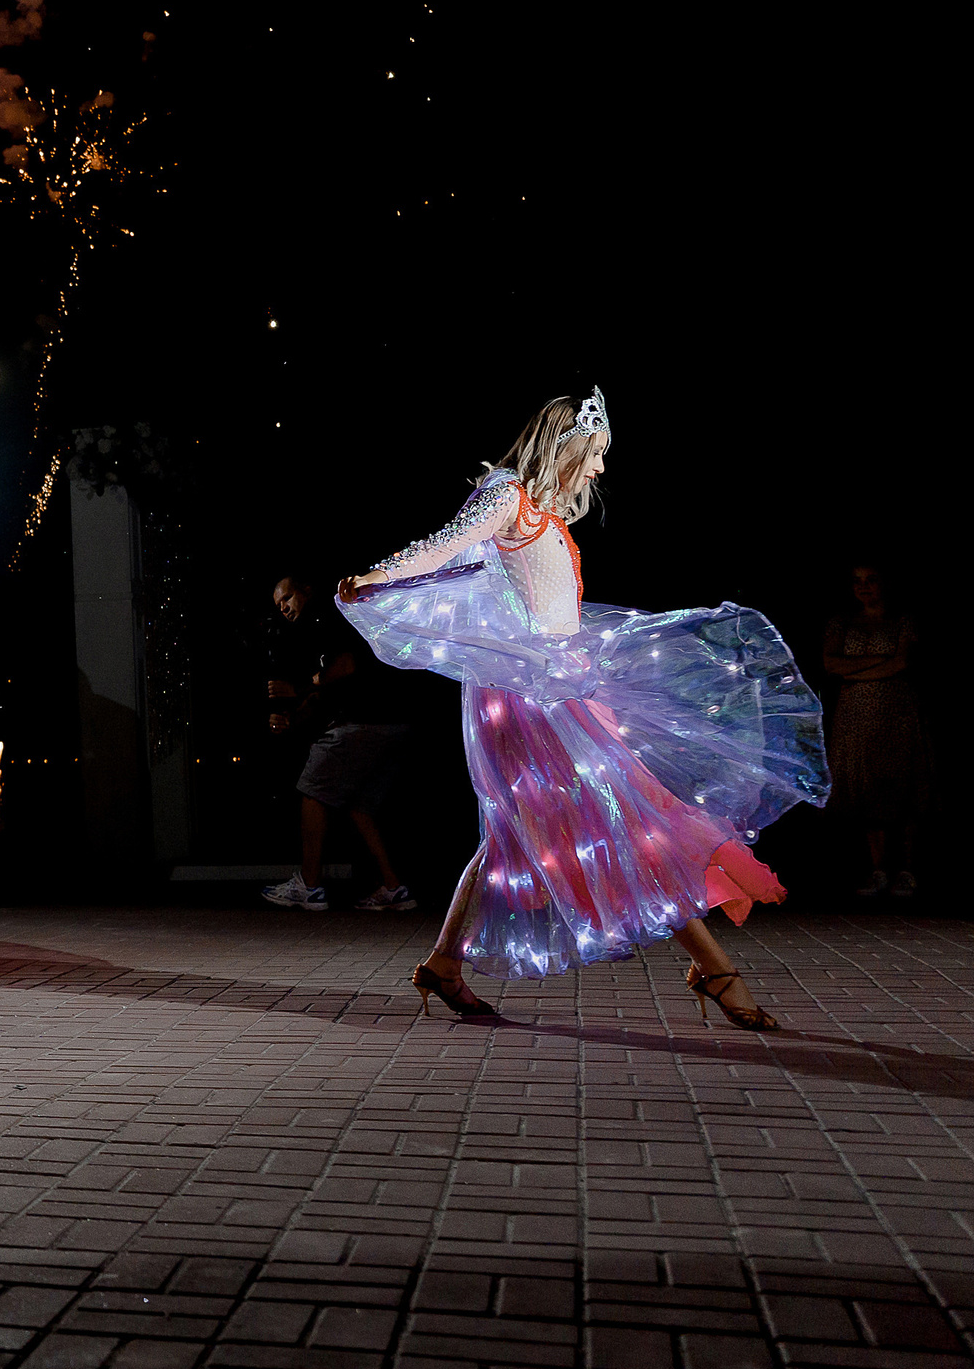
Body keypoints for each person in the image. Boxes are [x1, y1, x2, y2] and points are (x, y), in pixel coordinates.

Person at [337, 388, 826, 1030]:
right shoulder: (507, 495)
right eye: (594, 454)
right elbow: (444, 546)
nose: (599, 468)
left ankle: (444, 964)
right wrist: (376, 577)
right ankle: (713, 968)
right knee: (619, 817)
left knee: (532, 828)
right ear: (563, 446)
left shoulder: (543, 510)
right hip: (525, 696)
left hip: (560, 684)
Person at [259, 577, 416, 911]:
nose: (283, 608)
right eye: (278, 605)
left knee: (312, 791)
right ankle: (393, 888)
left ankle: (309, 886)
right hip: (394, 725)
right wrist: (291, 718)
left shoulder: (327, 616)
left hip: (364, 722)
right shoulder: (314, 631)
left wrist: (298, 689)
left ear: (306, 590)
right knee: (359, 806)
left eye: (287, 598)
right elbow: (321, 693)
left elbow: (346, 666)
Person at [825, 564, 929, 898]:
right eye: (857, 581)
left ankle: (907, 870)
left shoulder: (902, 621)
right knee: (866, 789)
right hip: (856, 715)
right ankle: (878, 869)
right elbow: (831, 663)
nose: (864, 587)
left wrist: (854, 670)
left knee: (901, 785)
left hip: (895, 712)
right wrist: (881, 663)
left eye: (871, 580)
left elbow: (903, 662)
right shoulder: (842, 622)